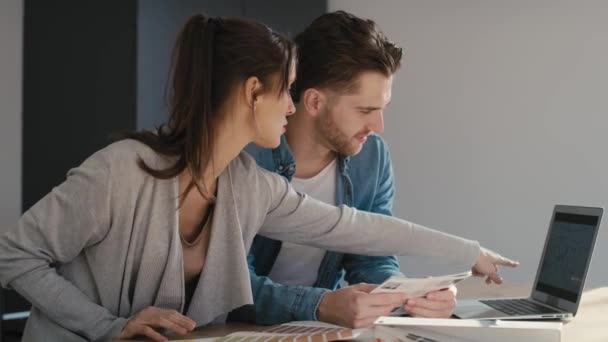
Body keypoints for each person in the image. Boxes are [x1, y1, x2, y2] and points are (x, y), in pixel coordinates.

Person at [0, 14, 517, 342]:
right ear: (252, 92)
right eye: (287, 92)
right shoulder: (122, 170)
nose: (293, 107)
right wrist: (108, 328)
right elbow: (13, 253)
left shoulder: (247, 184)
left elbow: (353, 226)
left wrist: (464, 251)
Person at [229, 11, 477, 328]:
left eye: (381, 110)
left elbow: (373, 256)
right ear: (315, 102)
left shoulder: (371, 157)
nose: (378, 126)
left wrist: (408, 297)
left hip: (322, 330)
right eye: (365, 110)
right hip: (243, 330)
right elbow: (232, 287)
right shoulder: (246, 159)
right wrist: (320, 305)